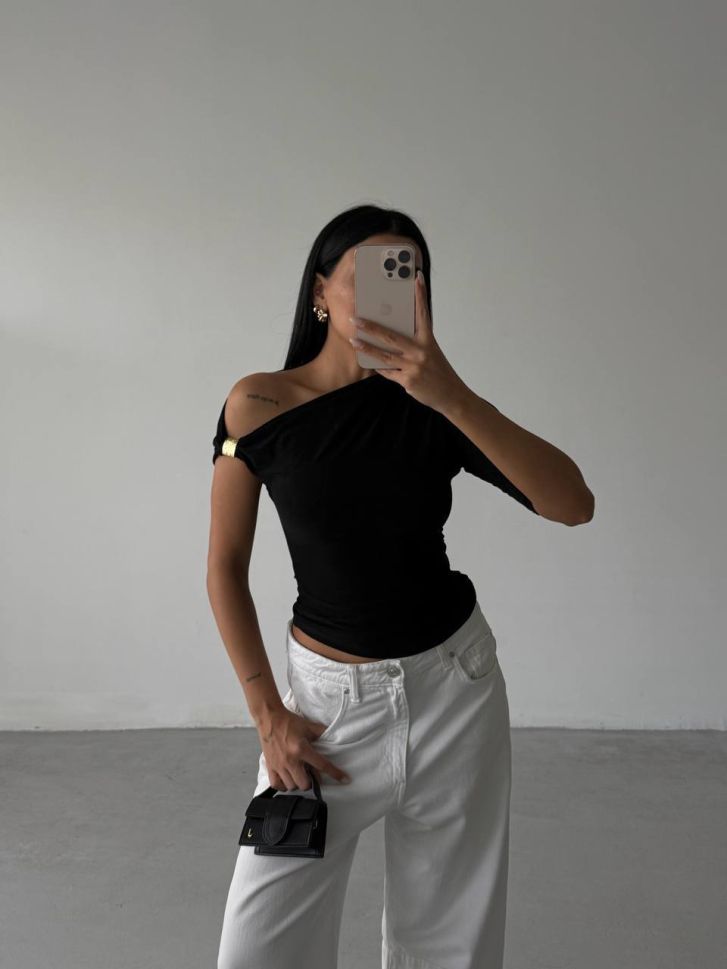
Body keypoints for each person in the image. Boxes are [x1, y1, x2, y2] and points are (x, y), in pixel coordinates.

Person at [207, 204, 594, 969]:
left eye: (405, 274)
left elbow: (571, 503)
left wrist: (449, 394)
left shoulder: (434, 406)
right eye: (369, 274)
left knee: (447, 945)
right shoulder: (258, 404)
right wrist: (266, 713)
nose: (390, 291)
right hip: (323, 715)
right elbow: (224, 564)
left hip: (453, 690)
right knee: (257, 951)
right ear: (320, 291)